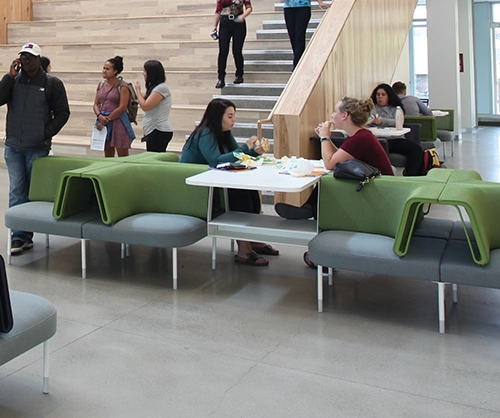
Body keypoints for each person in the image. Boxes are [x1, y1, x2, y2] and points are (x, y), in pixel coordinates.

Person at [276, 97, 395, 265]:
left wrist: (324, 138)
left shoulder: (360, 138)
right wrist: (327, 139)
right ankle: (311, 215)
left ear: (345, 115)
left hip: (378, 193)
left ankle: (317, 234)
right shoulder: (360, 136)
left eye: (335, 111)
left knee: (329, 182)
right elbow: (341, 156)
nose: (332, 116)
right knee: (328, 181)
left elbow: (330, 163)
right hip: (377, 187)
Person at [0, 42, 71, 256]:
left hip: (37, 147)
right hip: (14, 146)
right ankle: (19, 235)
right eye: (23, 57)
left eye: (30, 58)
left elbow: (63, 113)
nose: (26, 62)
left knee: (33, 192)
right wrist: (8, 77)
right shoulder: (13, 82)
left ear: (38, 60)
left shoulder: (52, 83)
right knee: (16, 189)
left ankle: (29, 232)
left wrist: (45, 132)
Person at [179, 99, 276, 266]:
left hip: (214, 179)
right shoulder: (205, 134)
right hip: (197, 185)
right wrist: (245, 149)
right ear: (218, 117)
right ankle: (244, 250)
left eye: (234, 116)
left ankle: (251, 240)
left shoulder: (224, 133)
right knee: (239, 194)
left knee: (250, 190)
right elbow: (215, 160)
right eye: (230, 116)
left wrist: (253, 152)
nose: (233, 120)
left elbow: (235, 156)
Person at [368, 83, 426, 177]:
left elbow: (398, 122)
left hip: (394, 139)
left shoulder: (397, 108)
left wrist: (382, 121)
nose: (380, 97)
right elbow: (368, 120)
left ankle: (411, 176)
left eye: (383, 95)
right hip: (377, 139)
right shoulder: (372, 108)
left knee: (416, 149)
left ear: (389, 96)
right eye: (378, 95)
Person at [212, 0, 252, 88]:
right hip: (225, 22)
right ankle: (221, 77)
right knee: (223, 51)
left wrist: (242, 16)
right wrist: (214, 26)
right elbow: (218, 10)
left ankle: (239, 74)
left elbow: (249, 7)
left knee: (237, 50)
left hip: (238, 22)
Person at [92, 56, 135, 158]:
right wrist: (100, 116)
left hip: (118, 121)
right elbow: (95, 103)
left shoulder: (123, 86)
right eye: (104, 68)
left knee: (122, 154)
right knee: (107, 153)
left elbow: (122, 107)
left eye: (107, 69)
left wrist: (108, 118)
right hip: (103, 120)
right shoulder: (101, 85)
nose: (104, 71)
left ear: (115, 71)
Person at [132, 59, 173, 153]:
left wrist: (137, 90)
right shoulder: (155, 88)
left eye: (145, 71)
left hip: (159, 130)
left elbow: (146, 106)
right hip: (153, 130)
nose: (143, 74)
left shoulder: (161, 88)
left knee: (155, 157)